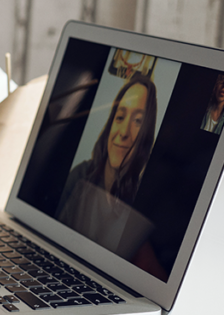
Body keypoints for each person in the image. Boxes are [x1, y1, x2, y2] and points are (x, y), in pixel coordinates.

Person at [56, 74, 157, 258]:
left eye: (137, 121)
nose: (124, 132)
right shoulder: (79, 177)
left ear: (146, 134)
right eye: (120, 117)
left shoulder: (142, 202)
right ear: (111, 122)